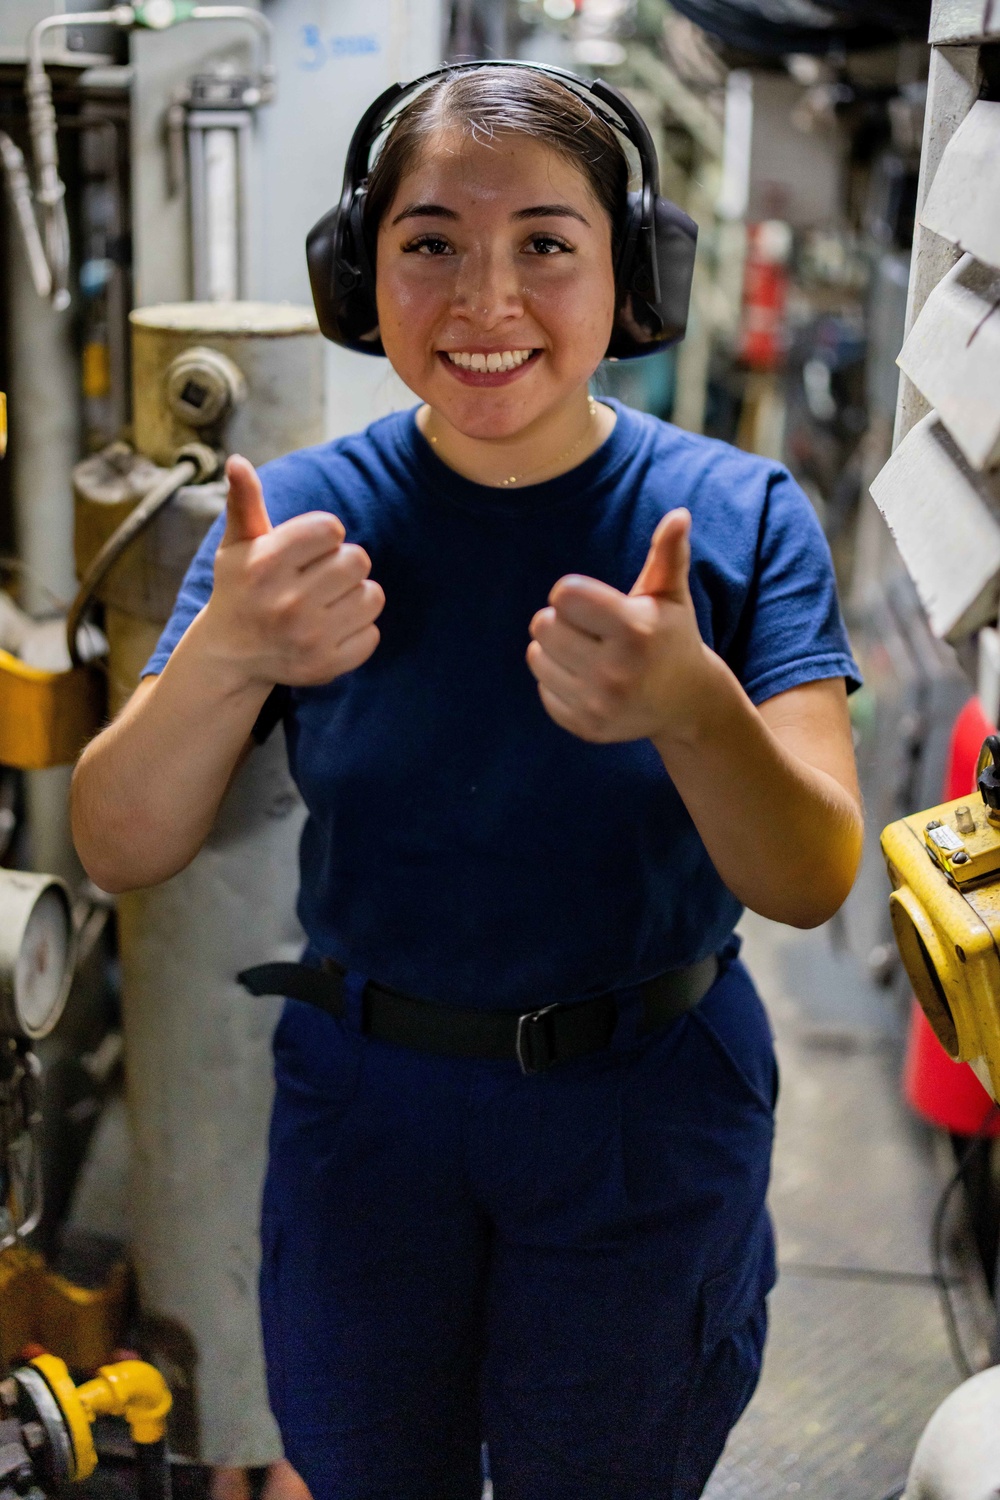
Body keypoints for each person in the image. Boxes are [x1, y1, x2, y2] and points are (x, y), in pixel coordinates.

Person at [72, 64, 863, 1500]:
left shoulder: (739, 518)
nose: (485, 300)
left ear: (631, 275)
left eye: (547, 244)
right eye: (430, 241)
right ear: (356, 274)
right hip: (371, 1118)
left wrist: (695, 710)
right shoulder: (297, 518)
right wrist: (231, 652)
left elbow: (810, 880)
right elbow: (117, 838)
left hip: (643, 1109)